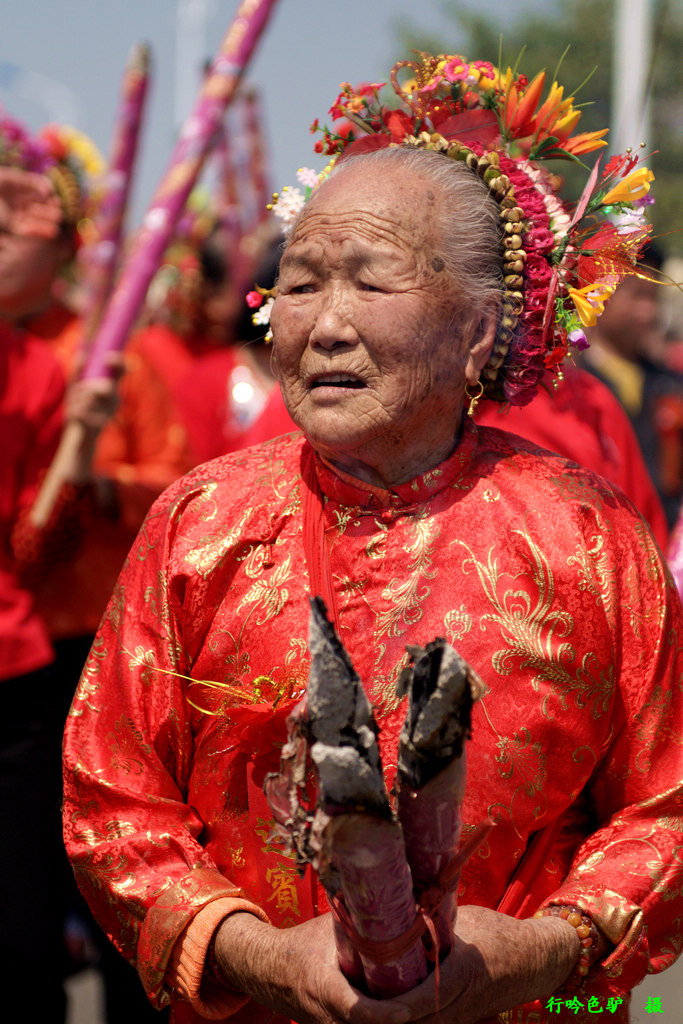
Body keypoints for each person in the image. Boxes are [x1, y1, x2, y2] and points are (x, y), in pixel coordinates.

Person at [62, 55, 683, 1024]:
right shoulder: (199, 524)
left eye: (370, 280)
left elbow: (665, 806)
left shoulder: (587, 537)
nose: (325, 325)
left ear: (478, 332)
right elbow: (112, 798)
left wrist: (544, 946)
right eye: (300, 282)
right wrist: (258, 952)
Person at [0, 117, 118, 1020]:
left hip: (25, 675)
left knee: (22, 937)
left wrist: (79, 458)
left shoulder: (44, 370)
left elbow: (36, 555)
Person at [580, 243, 683, 531]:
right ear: (601, 294)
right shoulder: (573, 389)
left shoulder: (670, 384)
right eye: (637, 296)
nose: (648, 311)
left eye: (653, 298)